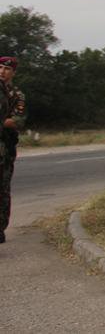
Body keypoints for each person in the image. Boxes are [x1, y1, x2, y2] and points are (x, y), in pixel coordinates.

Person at [0, 56, 26, 243]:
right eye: (0, 67)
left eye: (7, 69)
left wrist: (6, 122)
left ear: (13, 72)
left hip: (5, 148)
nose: (2, 71)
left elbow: (17, 120)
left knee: (2, 188)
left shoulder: (17, 95)